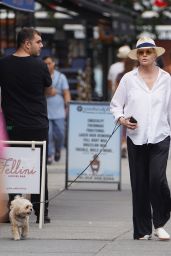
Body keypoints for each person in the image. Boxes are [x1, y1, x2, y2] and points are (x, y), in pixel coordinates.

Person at [110, 37, 171, 240]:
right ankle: (142, 230)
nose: (144, 55)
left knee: (157, 179)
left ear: (155, 55)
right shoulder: (128, 79)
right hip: (136, 138)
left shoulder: (166, 79)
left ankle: (160, 222)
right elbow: (116, 104)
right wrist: (122, 119)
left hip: (161, 135)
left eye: (148, 52)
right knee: (139, 184)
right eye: (141, 53)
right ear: (137, 56)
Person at [0, 27, 56, 223]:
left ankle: (15, 208)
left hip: (12, 124)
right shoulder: (40, 65)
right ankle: (42, 212)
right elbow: (48, 89)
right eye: (38, 42)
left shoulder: (3, 64)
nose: (41, 45)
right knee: (39, 168)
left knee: (13, 167)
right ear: (27, 43)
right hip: (37, 124)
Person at [43, 56, 71, 165]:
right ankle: (49, 154)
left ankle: (58, 149)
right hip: (46, 110)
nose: (47, 65)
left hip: (59, 110)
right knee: (48, 134)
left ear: (53, 63)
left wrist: (68, 105)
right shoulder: (41, 75)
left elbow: (66, 92)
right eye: (45, 63)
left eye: (49, 63)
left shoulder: (61, 77)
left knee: (60, 133)